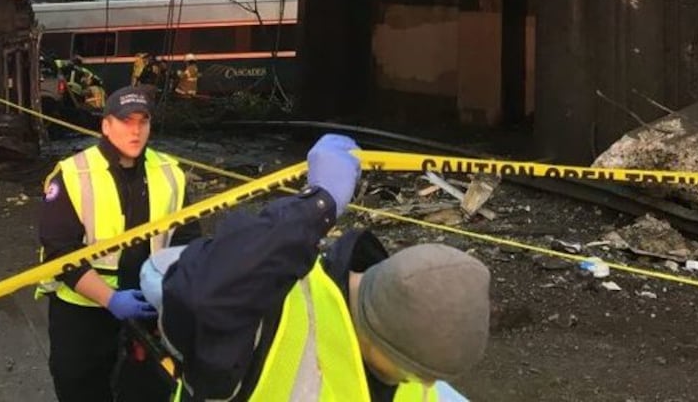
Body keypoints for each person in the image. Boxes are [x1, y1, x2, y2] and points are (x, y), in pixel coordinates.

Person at [152, 134, 491, 401]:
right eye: (414, 373)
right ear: (377, 335)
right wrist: (315, 206)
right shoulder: (274, 310)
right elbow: (202, 293)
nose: (426, 384)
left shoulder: (421, 379)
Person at [36, 85, 191, 402]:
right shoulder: (72, 174)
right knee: (80, 388)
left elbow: (188, 241)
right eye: (125, 121)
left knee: (148, 391)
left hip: (149, 307)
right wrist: (110, 299)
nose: (135, 131)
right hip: (84, 312)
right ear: (106, 125)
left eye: (142, 121)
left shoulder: (171, 174)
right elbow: (59, 251)